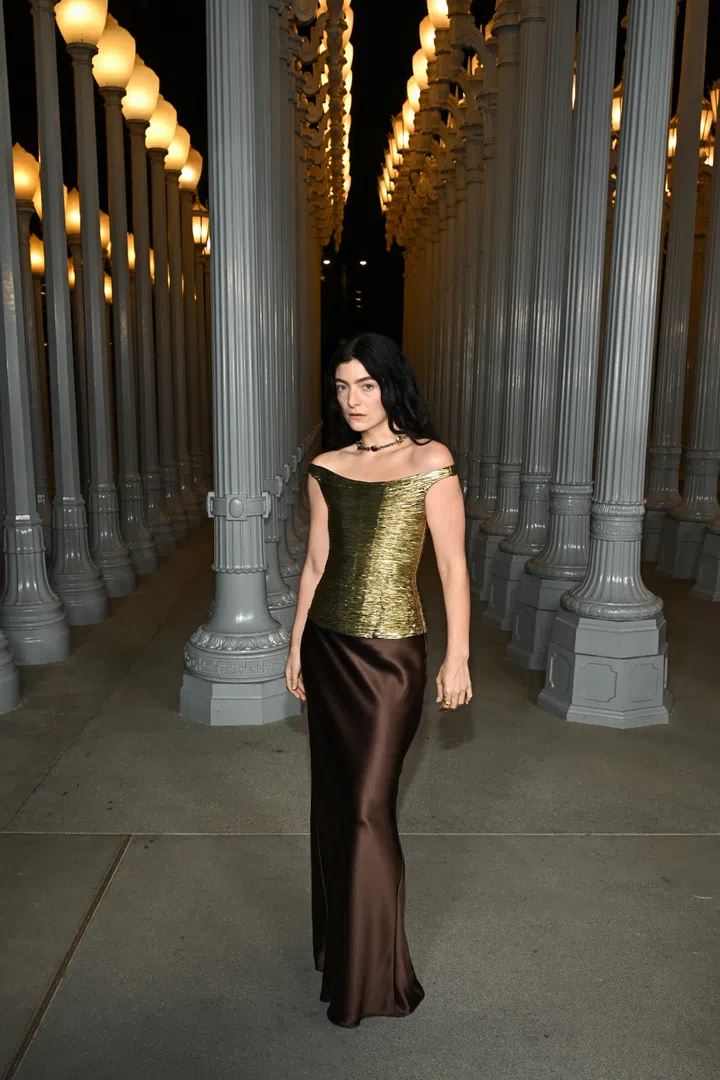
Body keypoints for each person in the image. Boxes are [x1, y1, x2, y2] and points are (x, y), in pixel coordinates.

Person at [285, 332, 472, 1028]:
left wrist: (459, 656)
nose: (353, 400)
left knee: (368, 807)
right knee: (334, 804)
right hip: (330, 650)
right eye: (341, 387)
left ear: (391, 386)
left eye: (365, 385)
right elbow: (314, 565)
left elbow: (452, 568)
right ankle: (343, 952)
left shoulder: (431, 460)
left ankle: (376, 975)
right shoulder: (326, 466)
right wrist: (298, 644)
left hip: (393, 656)